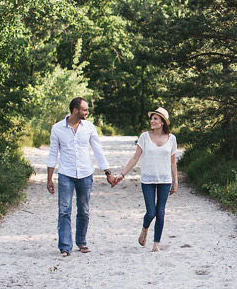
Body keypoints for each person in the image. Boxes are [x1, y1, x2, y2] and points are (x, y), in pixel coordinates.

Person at [47, 97, 114, 257]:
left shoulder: (89, 127)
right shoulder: (57, 128)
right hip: (66, 174)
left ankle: (81, 242)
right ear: (75, 110)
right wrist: (49, 178)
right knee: (64, 210)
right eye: (85, 110)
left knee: (83, 210)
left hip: (85, 173)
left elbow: (98, 150)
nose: (87, 112)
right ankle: (65, 246)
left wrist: (108, 172)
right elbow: (52, 153)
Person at [111, 107, 178, 251]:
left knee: (160, 212)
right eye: (152, 118)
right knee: (151, 212)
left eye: (155, 118)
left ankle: (156, 245)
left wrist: (175, 181)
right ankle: (145, 228)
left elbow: (173, 162)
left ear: (163, 122)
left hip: (165, 180)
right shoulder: (144, 137)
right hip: (147, 179)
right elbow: (136, 157)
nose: (152, 121)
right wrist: (122, 174)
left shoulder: (172, 139)